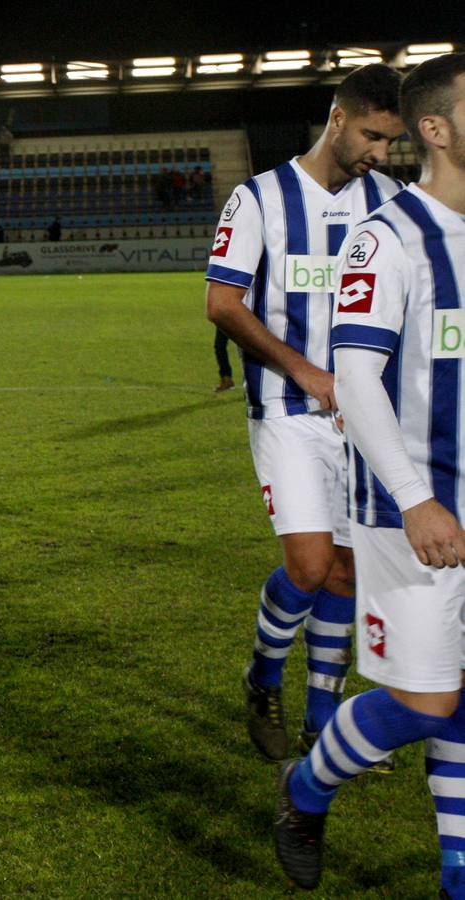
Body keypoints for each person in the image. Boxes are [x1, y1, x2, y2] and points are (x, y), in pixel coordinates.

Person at [273, 52, 465, 894]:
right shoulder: (389, 238)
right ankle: (308, 786)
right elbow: (354, 377)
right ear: (437, 129)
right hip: (414, 509)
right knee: (425, 706)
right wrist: (416, 500)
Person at [204, 63, 405, 763]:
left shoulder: (389, 198)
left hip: (366, 419)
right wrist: (302, 368)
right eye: (374, 136)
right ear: (339, 118)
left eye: (392, 141)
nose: (382, 153)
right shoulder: (259, 199)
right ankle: (264, 675)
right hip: (286, 408)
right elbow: (222, 304)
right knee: (312, 564)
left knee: (349, 570)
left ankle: (324, 715)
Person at [214, 327, 235, 392]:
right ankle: (227, 379)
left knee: (246, 347)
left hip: (240, 319)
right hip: (225, 318)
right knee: (219, 345)